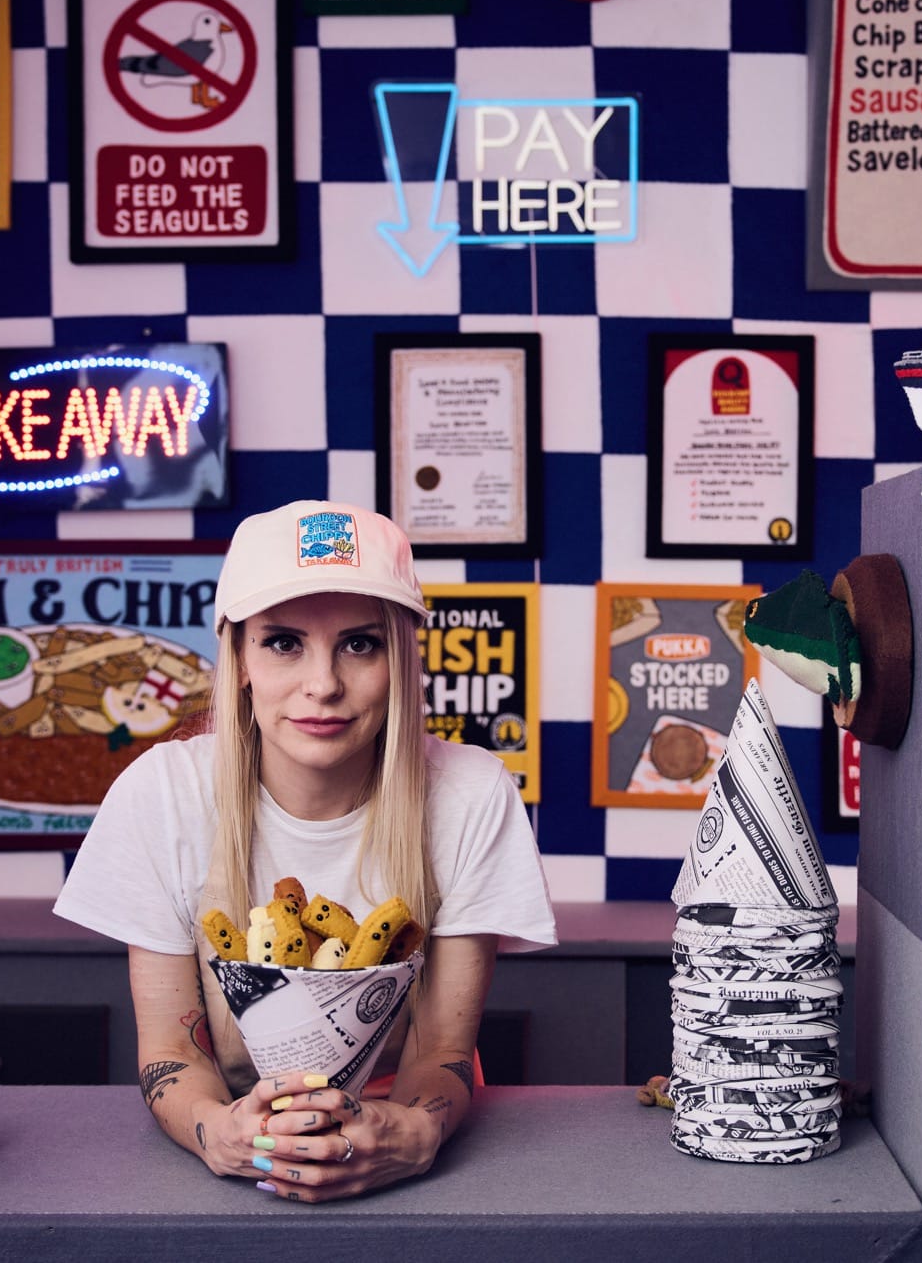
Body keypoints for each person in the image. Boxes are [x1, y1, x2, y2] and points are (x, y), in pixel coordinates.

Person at [54, 500, 556, 1202]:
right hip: (222, 1162)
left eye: (360, 644)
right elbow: (172, 1053)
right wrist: (218, 1131)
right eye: (285, 642)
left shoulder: (471, 793)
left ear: (402, 656)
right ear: (239, 658)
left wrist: (413, 1134)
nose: (323, 684)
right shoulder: (162, 792)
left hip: (404, 1155)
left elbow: (440, 1052)